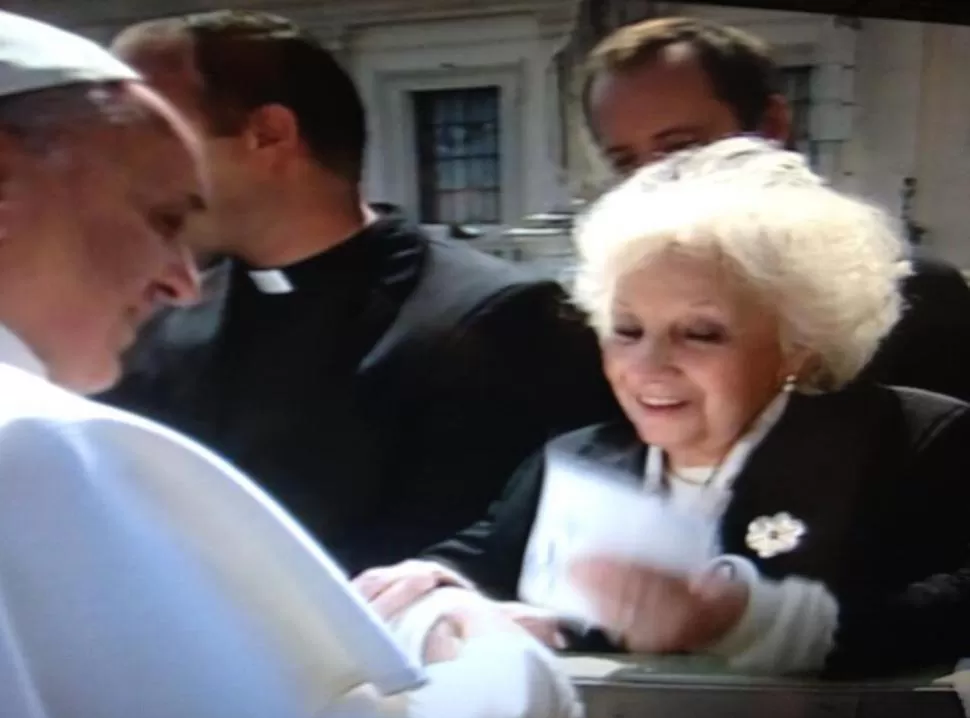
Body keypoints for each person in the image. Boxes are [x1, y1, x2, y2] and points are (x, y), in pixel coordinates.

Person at [0, 10, 582, 718]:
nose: (180, 280)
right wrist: (504, 662)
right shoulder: (37, 446)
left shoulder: (489, 313)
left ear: (272, 132)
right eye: (158, 216)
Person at [358, 137, 970, 679]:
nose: (647, 365)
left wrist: (739, 620)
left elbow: (951, 612)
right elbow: (459, 570)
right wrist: (445, 604)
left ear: (798, 346)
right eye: (627, 330)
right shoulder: (575, 459)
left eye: (700, 333)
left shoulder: (908, 443)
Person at [99, 10, 617, 575]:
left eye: (153, 132)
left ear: (269, 134)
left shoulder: (495, 320)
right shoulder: (158, 315)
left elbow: (494, 555)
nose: (119, 167)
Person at [576, 15, 970, 402]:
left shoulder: (917, 301)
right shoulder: (581, 327)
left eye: (681, 148)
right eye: (626, 162)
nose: (651, 180)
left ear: (770, 127)